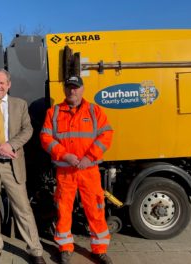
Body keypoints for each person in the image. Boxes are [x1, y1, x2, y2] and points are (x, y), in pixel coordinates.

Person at [0, 69, 46, 264]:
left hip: (13, 166)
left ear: (9, 85)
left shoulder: (20, 105)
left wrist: (10, 145)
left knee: (23, 209)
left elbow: (27, 129)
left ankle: (35, 251)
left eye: (2, 83)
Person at [40, 76, 114, 264]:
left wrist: (89, 157)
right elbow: (45, 138)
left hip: (89, 170)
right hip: (65, 172)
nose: (72, 91)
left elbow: (107, 135)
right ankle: (65, 248)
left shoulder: (94, 110)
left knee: (95, 209)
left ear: (82, 89)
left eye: (76, 87)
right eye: (69, 87)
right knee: (63, 210)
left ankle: (99, 250)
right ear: (64, 90)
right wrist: (65, 155)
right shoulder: (54, 113)